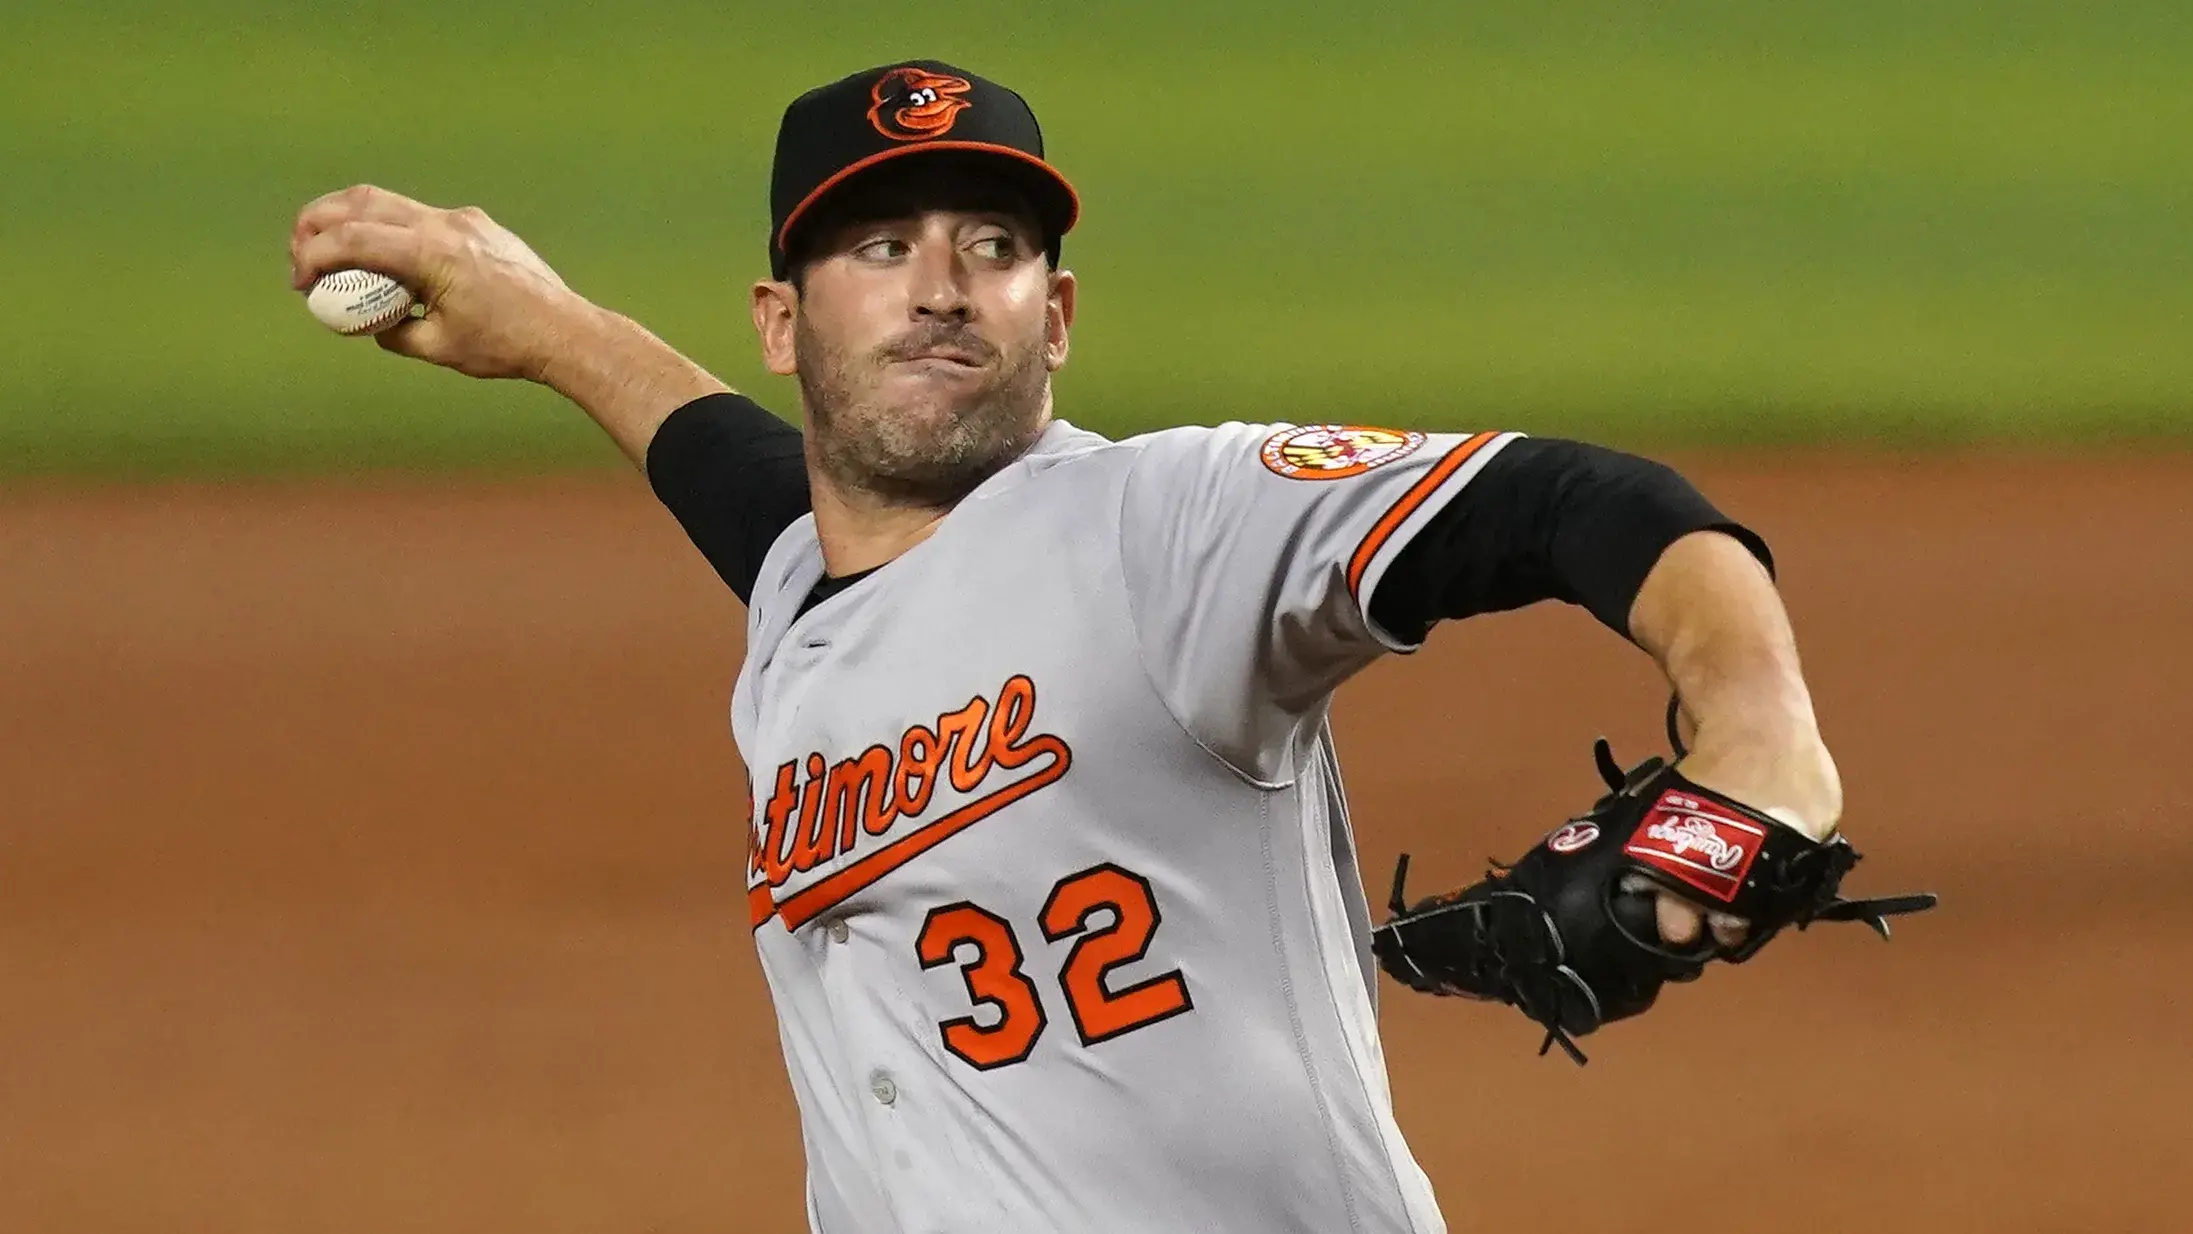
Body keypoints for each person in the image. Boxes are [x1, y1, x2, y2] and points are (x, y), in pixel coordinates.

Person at [289, 60, 1847, 1234]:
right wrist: (551, 323)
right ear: (782, 322)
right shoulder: (804, 591)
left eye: (991, 243)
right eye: (881, 246)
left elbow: (1579, 500)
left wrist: (1760, 736)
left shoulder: (1169, 526)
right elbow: (748, 481)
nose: (943, 282)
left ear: (1059, 311)